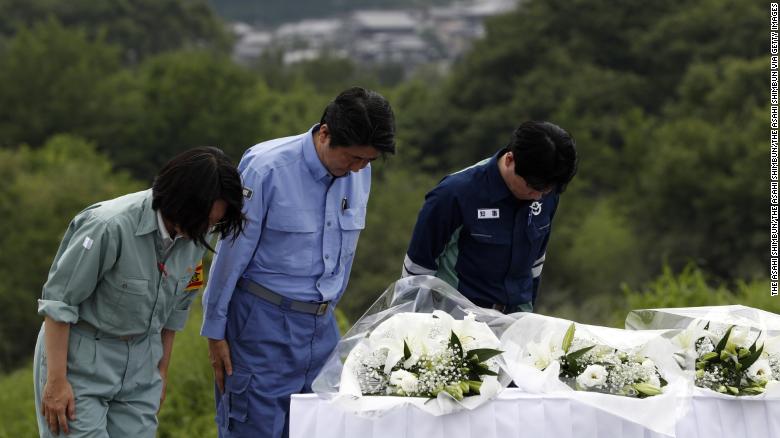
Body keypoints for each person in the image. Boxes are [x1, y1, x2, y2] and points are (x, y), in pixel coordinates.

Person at [201, 87, 396, 438]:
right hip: (261, 326)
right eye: (353, 158)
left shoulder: (359, 172)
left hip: (322, 329)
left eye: (368, 161)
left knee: (319, 427)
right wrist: (215, 331)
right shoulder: (266, 168)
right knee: (253, 426)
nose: (359, 168)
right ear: (325, 134)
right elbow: (230, 253)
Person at [33, 147, 245, 438]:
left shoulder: (197, 233)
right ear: (181, 201)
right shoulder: (108, 226)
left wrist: (161, 375)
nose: (208, 229)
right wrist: (56, 382)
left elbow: (175, 312)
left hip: (141, 366)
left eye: (214, 223)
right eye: (204, 220)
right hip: (79, 359)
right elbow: (59, 304)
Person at [402, 121, 577, 313]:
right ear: (510, 160)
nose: (538, 196)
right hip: (456, 322)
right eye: (532, 187)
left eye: (547, 190)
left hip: (514, 323)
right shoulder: (454, 194)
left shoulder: (546, 191)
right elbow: (417, 271)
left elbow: (535, 264)